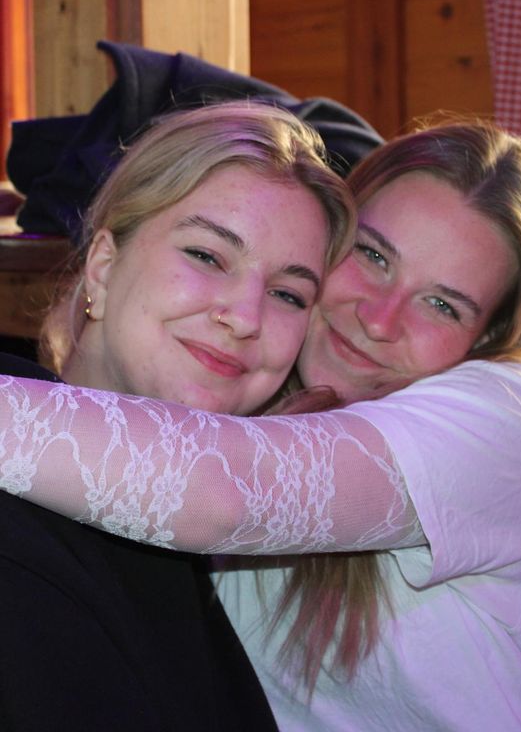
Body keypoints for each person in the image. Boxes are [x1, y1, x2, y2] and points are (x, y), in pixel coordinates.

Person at [0, 119, 521, 730]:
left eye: (443, 305)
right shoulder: (239, 430)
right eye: (372, 255)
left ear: (487, 341)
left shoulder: (503, 411)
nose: (379, 319)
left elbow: (221, 489)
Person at [0, 99, 355, 731]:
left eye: (286, 293)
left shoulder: (225, 539)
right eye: (207, 255)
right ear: (103, 267)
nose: (244, 317)